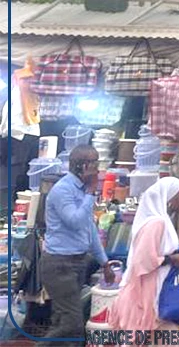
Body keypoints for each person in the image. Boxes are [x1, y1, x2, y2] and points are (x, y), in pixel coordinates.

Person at [40, 144, 119, 345]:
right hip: (59, 264)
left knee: (62, 319)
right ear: (80, 166)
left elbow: (90, 230)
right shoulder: (63, 190)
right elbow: (74, 221)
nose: (98, 169)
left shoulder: (83, 192)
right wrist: (91, 193)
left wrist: (105, 263)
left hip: (77, 262)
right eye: (94, 163)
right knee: (72, 324)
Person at [108, 177, 179, 331]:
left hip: (158, 286)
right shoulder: (156, 223)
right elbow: (143, 260)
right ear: (169, 198)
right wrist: (172, 259)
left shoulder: (164, 221)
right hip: (150, 289)